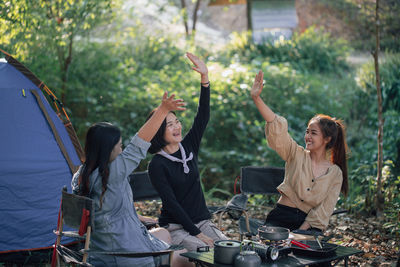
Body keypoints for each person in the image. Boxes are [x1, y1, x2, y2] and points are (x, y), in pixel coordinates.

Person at [71, 92, 193, 267]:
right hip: (126, 256)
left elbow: (106, 211)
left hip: (100, 251)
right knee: (187, 257)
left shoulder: (81, 174)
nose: (121, 151)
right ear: (108, 149)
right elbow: (138, 145)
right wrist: (163, 109)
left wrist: (138, 217)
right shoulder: (112, 173)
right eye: (120, 146)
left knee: (164, 233)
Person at [147, 52, 227, 252]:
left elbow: (203, 116)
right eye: (169, 125)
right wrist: (197, 235)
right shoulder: (157, 164)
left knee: (231, 249)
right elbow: (172, 204)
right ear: (157, 131)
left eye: (177, 122)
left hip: (202, 222)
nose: (177, 127)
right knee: (206, 254)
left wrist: (205, 79)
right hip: (176, 227)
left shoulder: (188, 146)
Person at [250, 70, 349, 232]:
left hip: (309, 226)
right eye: (307, 132)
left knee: (310, 255)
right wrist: (256, 98)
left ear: (327, 139)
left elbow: (325, 208)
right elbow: (276, 127)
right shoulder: (296, 153)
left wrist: (301, 232)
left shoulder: (335, 173)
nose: (307, 136)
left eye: (313, 133)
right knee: (272, 252)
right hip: (281, 218)